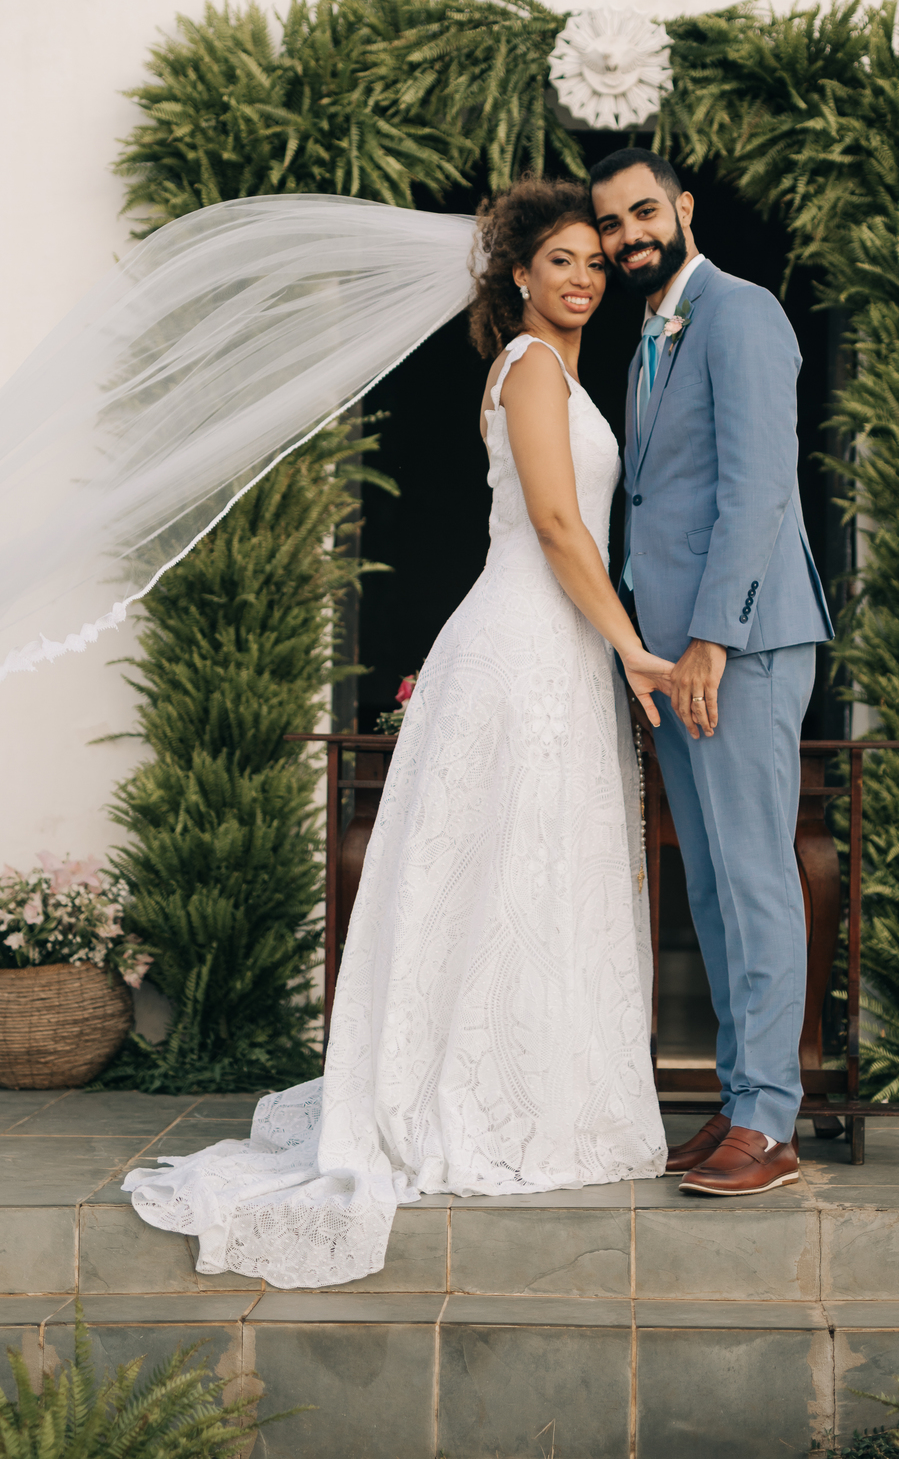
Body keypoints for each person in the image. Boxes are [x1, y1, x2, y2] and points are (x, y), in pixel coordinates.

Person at [123, 178, 671, 1288]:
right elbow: (560, 526)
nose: (582, 277)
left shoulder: (565, 371)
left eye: (595, 263)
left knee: (534, 872)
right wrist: (630, 642)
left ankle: (541, 1093)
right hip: (525, 641)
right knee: (503, 865)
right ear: (519, 273)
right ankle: (466, 1098)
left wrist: (606, 644)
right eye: (561, 259)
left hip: (553, 649)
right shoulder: (525, 367)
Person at [591, 149, 835, 1197]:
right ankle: (739, 1103)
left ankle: (770, 1124)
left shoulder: (738, 314)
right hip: (679, 654)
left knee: (753, 875)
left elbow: (759, 490)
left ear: (683, 210)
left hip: (739, 647)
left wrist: (709, 642)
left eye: (644, 210)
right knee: (715, 882)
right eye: (611, 223)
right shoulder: (651, 330)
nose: (628, 233)